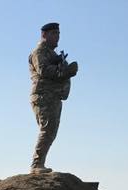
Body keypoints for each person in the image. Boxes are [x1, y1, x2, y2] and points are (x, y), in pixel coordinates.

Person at [29, 21, 79, 173]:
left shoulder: (52, 53)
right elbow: (44, 70)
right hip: (44, 95)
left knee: (51, 131)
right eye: (53, 33)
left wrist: (63, 67)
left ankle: (39, 163)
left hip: (54, 96)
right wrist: (65, 72)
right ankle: (36, 165)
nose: (57, 37)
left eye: (58, 34)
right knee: (47, 129)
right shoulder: (39, 51)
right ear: (44, 35)